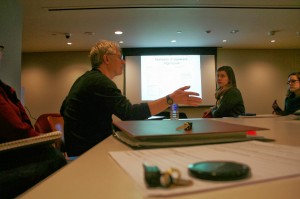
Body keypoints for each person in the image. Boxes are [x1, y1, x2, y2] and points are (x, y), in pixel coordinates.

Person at [60, 40, 202, 156]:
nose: (124, 62)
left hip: (80, 148)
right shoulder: (99, 82)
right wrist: (170, 99)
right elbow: (129, 114)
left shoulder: (85, 79)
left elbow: (64, 109)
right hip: (88, 154)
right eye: (120, 57)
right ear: (107, 59)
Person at [0, 45, 66, 198]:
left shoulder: (5, 89)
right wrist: (40, 140)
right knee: (54, 158)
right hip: (5, 159)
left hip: (10, 153)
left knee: (51, 154)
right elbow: (15, 129)